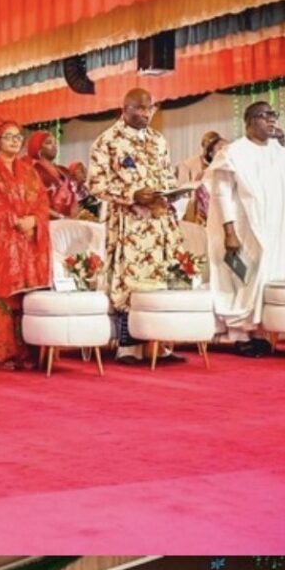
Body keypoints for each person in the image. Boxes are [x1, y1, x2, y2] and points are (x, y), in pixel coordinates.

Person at [86, 89, 182, 364]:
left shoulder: (158, 140)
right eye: (138, 108)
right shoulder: (108, 141)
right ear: (124, 108)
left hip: (161, 222)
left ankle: (159, 346)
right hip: (129, 223)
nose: (144, 113)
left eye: (149, 108)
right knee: (130, 282)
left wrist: (172, 192)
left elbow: (167, 175)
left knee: (161, 279)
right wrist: (132, 194)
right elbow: (96, 184)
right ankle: (128, 347)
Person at [204, 101, 285, 356]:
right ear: (249, 121)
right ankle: (241, 334)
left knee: (273, 277)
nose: (271, 120)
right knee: (244, 279)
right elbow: (221, 194)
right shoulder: (233, 153)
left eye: (273, 115)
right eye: (265, 115)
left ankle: (264, 334)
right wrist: (229, 232)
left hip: (278, 232)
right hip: (245, 231)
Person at [0, 120, 50, 369]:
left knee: (26, 298)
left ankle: (28, 354)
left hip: (27, 244)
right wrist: (16, 221)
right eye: (9, 137)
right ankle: (1, 355)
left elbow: (42, 201)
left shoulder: (28, 169)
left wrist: (34, 220)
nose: (15, 141)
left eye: (18, 137)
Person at [24, 131, 81, 219]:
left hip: (69, 222)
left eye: (55, 143)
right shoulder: (32, 170)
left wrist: (74, 215)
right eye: (48, 143)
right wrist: (59, 217)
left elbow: (73, 195)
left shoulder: (64, 170)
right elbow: (33, 201)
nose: (54, 146)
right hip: (46, 221)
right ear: (38, 147)